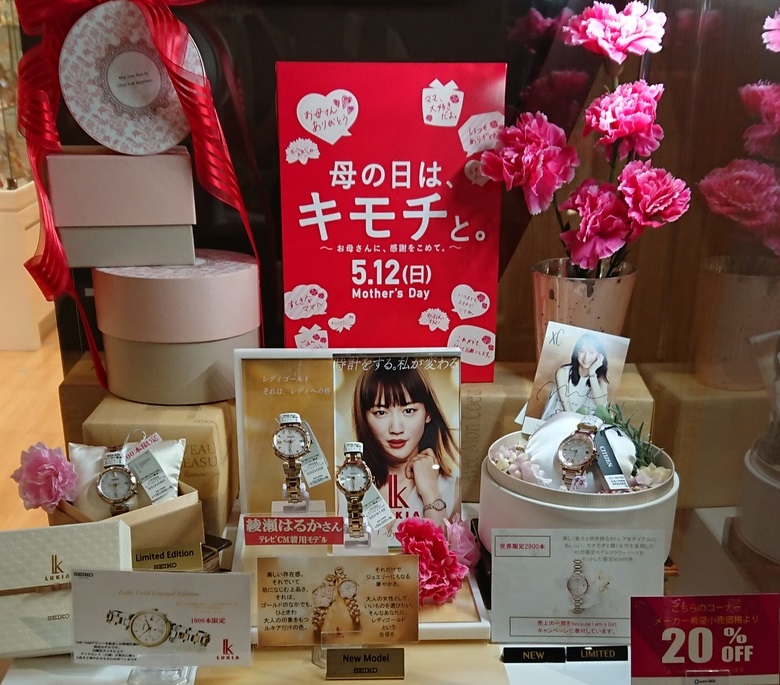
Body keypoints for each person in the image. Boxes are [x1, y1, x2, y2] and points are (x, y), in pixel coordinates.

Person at [352, 361, 460, 532]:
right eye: (381, 412)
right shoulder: (344, 485)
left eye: (409, 411)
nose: (396, 429)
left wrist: (431, 492)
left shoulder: (453, 489)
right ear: (364, 418)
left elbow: (441, 548)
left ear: (428, 413)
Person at [541, 333, 610, 420]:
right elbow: (567, 408)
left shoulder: (602, 377)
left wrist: (592, 373)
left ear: (599, 355)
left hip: (584, 423)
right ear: (576, 352)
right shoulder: (563, 372)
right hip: (558, 419)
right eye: (582, 351)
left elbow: (601, 406)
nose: (586, 357)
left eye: (592, 352)